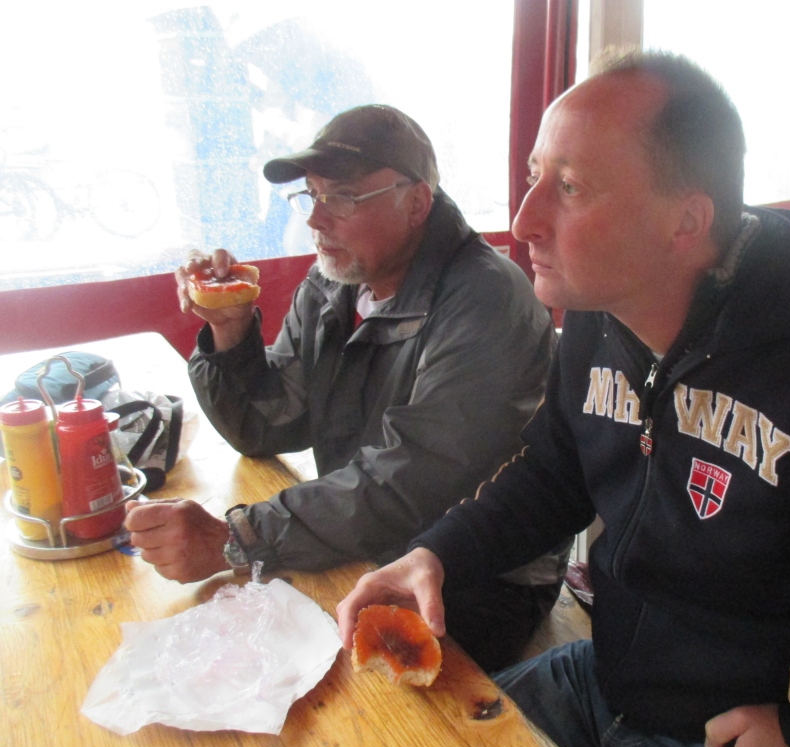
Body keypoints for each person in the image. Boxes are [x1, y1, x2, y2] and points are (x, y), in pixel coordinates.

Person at [337, 51, 790, 747]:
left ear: (686, 222)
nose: (523, 220)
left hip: (742, 742)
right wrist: (437, 554)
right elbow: (555, 474)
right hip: (606, 680)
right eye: (537, 176)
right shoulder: (598, 318)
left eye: (569, 187)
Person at [125, 104, 567, 672]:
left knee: (324, 693)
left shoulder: (486, 302)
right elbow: (266, 427)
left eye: (342, 197)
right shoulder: (335, 283)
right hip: (366, 537)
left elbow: (411, 483)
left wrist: (239, 538)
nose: (316, 219)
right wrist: (230, 332)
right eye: (311, 195)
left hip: (476, 574)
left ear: (416, 203)